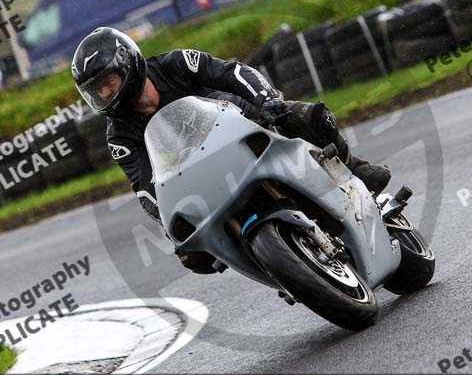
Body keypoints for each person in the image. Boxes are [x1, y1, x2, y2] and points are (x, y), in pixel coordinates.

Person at [71, 27, 391, 273]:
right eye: (96, 90)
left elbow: (233, 73)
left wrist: (267, 100)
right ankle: (276, 265)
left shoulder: (176, 64)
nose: (105, 93)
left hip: (249, 124)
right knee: (192, 255)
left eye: (108, 81)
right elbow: (143, 186)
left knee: (312, 118)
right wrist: (170, 222)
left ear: (128, 62)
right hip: (201, 172)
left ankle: (354, 168)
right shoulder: (119, 136)